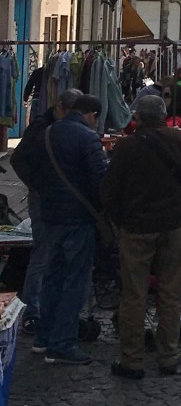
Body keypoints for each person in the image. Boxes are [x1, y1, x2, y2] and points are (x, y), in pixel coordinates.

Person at [100, 96, 181, 379]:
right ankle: (168, 356)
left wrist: (121, 219)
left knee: (133, 295)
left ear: (138, 117)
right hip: (172, 226)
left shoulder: (127, 147)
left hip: (136, 227)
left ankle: (132, 360)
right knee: (170, 294)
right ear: (163, 114)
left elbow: (109, 190)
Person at [34, 94, 108, 364]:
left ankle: (44, 336)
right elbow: (100, 179)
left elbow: (35, 171)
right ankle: (62, 343)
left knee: (52, 277)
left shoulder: (48, 133)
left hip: (50, 214)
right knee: (75, 281)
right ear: (92, 115)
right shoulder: (88, 138)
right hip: (78, 217)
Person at [10, 87, 83, 336]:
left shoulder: (65, 127)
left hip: (62, 199)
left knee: (58, 254)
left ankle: (53, 307)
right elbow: (17, 159)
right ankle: (33, 311)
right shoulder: (41, 128)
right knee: (42, 253)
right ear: (61, 108)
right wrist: (37, 186)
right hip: (44, 198)